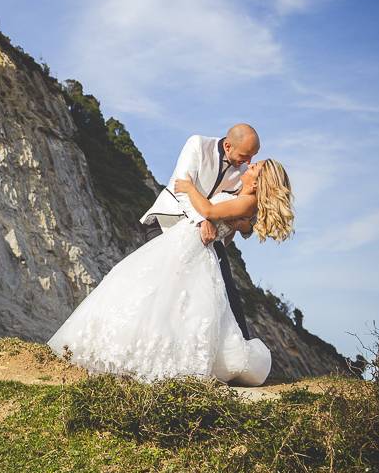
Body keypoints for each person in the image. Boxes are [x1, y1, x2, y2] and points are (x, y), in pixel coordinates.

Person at [46, 158, 294, 386]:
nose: (249, 168)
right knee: (158, 296)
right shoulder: (242, 199)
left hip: (191, 247)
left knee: (169, 300)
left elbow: (208, 211)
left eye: (255, 168)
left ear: (261, 180)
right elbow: (224, 230)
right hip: (185, 242)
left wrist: (189, 188)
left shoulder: (247, 201)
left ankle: (148, 356)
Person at [140, 124, 260, 340]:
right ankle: (145, 338)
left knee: (221, 290)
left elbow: (245, 215)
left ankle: (241, 348)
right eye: (245, 155)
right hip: (167, 222)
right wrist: (201, 220)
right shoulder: (197, 145)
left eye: (253, 157)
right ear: (228, 145)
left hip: (207, 240)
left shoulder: (245, 173)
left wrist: (239, 227)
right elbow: (182, 186)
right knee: (157, 284)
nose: (248, 162)